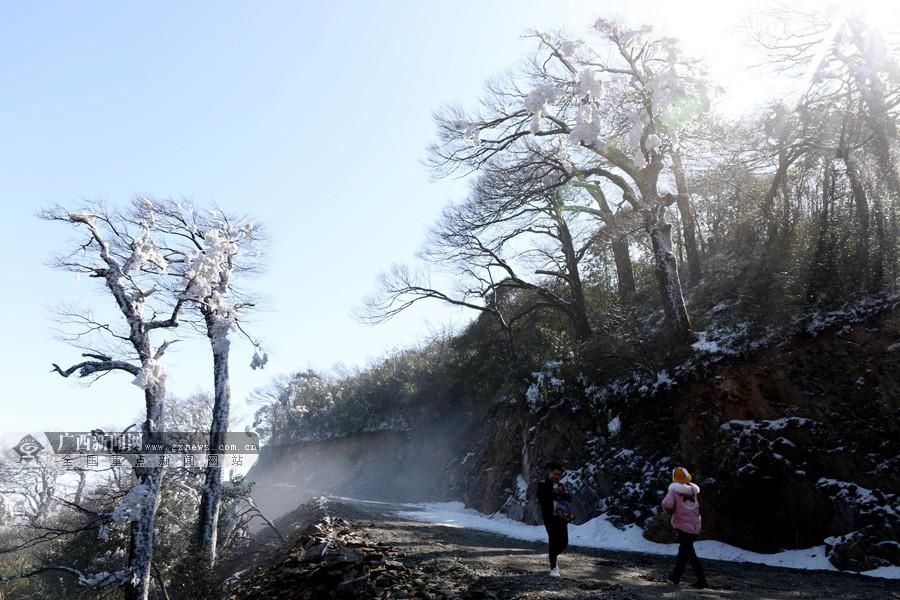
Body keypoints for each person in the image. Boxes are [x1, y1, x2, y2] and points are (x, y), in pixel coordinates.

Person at [661, 466, 708, 589]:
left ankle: (702, 580)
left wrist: (669, 511)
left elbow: (666, 504)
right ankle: (676, 576)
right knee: (684, 552)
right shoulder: (693, 490)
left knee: (690, 555)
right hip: (695, 526)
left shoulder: (674, 491)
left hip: (682, 526)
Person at [536, 461, 571, 577]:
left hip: (562, 516)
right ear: (550, 473)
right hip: (549, 517)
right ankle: (553, 567)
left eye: (558, 475)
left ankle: (553, 556)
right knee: (553, 540)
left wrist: (562, 493)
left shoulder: (561, 485)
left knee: (564, 542)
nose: (556, 477)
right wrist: (555, 493)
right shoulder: (542, 484)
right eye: (555, 474)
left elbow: (569, 499)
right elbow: (542, 498)